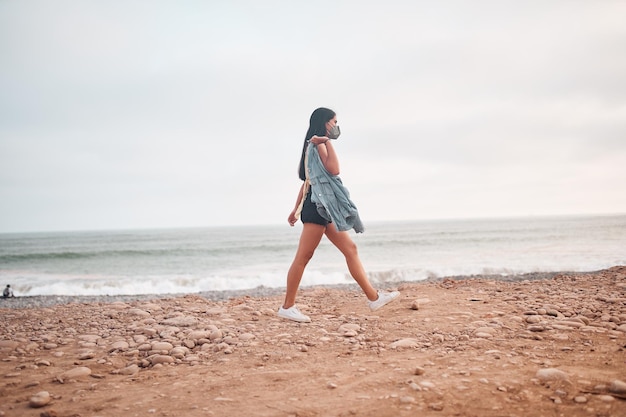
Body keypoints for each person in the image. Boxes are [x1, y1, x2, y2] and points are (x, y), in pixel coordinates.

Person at [278, 107, 399, 323]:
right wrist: (327, 142)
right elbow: (334, 170)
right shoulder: (318, 145)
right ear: (324, 122)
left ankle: (374, 298)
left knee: (350, 249)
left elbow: (309, 181)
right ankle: (287, 307)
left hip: (321, 206)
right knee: (303, 257)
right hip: (317, 208)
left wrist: (294, 209)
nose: (336, 125)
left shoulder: (314, 144)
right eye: (333, 121)